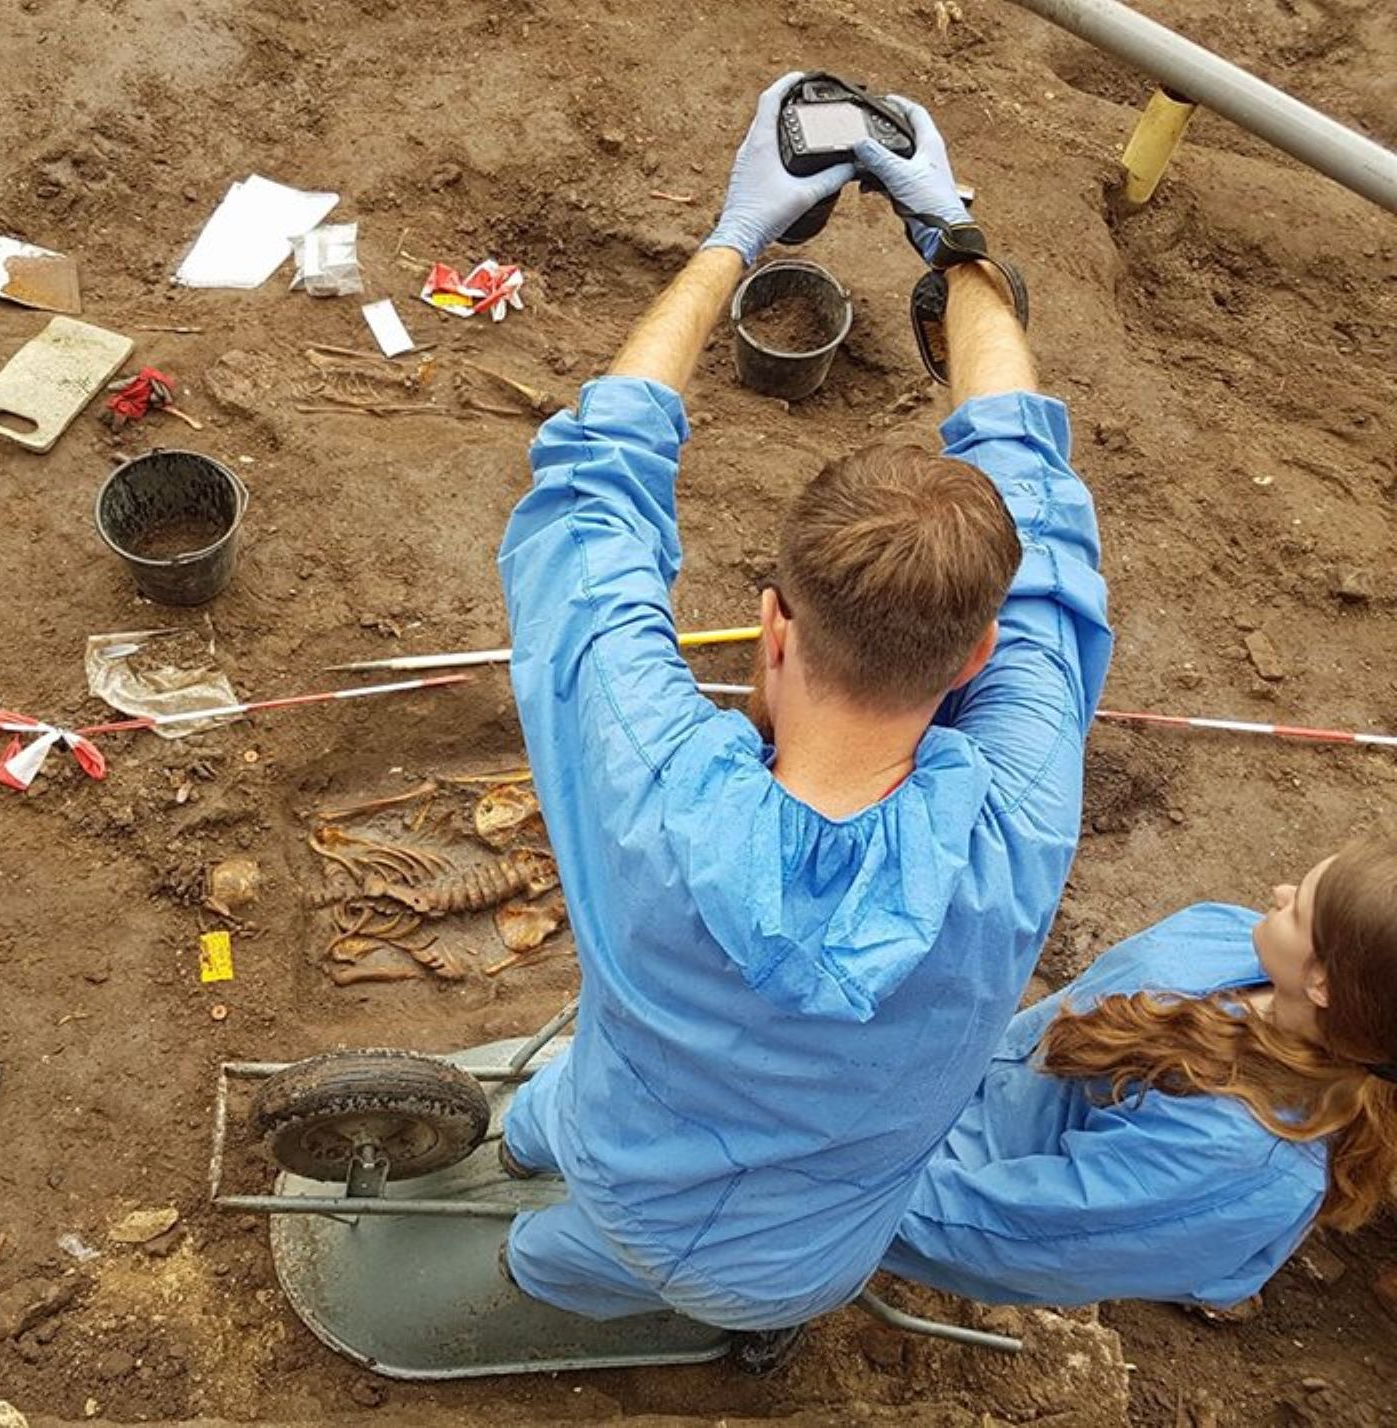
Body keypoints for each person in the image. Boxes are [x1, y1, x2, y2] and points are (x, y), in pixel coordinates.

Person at [493, 72, 1113, 1369]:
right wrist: (953, 239)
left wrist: (733, 240)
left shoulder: (649, 777)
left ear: (774, 628)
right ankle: (751, 1337)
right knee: (717, 1280)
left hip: (629, 1179)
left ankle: (527, 1238)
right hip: (811, 1251)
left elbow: (594, 505)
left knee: (540, 1258)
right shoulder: (1018, 813)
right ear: (979, 657)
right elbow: (1034, 494)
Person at [884, 842, 1397, 1308]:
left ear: (1322, 983)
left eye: (1299, 909)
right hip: (972, 1080)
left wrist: (835, 1196)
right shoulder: (1231, 938)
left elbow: (1007, 1231)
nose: (1279, 892)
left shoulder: (1236, 1159)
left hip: (953, 1174)